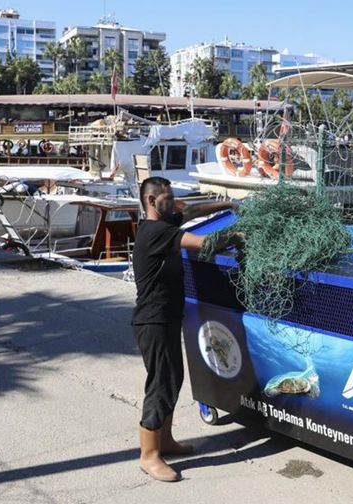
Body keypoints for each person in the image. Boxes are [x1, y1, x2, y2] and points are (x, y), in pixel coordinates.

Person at [131, 177, 238, 482]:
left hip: (165, 318)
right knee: (160, 385)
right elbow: (205, 244)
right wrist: (238, 236)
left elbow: (191, 211)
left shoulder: (163, 223)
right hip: (153, 321)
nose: (175, 202)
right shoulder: (157, 232)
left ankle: (165, 441)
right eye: (168, 198)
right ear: (152, 201)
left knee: (173, 378)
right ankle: (148, 455)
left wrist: (227, 204)